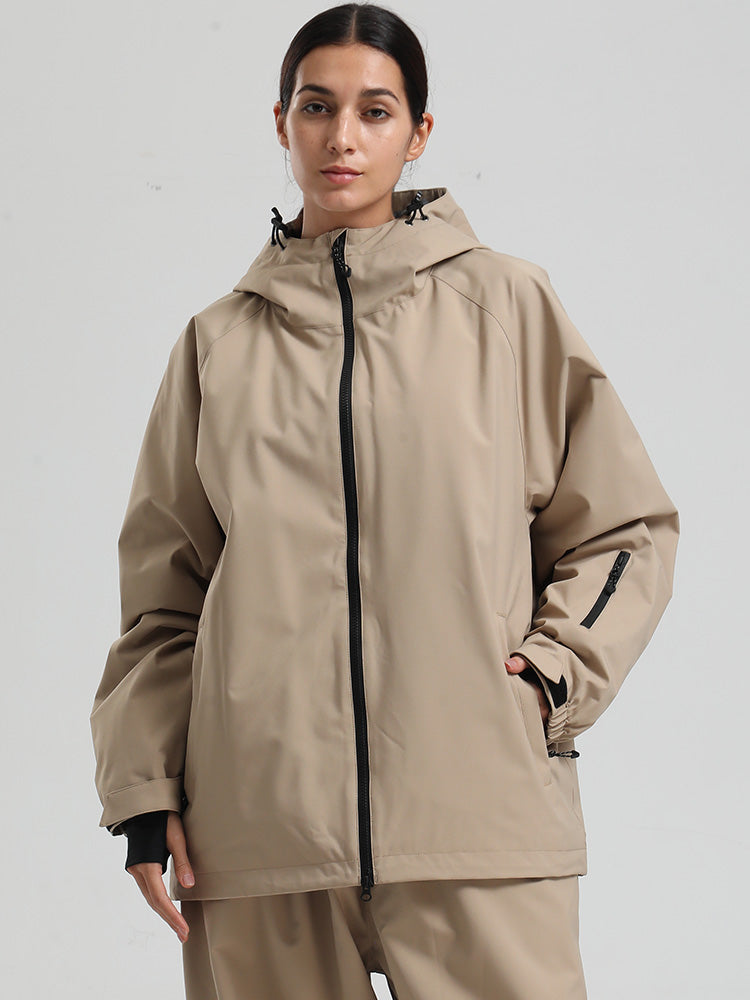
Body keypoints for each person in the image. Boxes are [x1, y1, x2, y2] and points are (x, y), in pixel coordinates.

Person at [89, 4, 680, 998]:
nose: (342, 137)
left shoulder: (508, 307)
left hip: (477, 816)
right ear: (282, 124)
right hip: (259, 832)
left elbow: (626, 528)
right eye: (317, 107)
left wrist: (550, 677)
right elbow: (164, 596)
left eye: (375, 110)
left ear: (418, 133)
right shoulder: (218, 345)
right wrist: (145, 789)